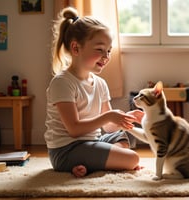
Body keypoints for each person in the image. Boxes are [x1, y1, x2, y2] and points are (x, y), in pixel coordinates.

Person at [44, 7, 144, 178]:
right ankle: (90, 162)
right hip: (66, 150)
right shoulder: (62, 82)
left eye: (109, 51)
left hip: (91, 142)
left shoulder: (100, 84)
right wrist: (109, 116)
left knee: (121, 137)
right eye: (99, 49)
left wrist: (125, 118)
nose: (106, 56)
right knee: (133, 159)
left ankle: (92, 163)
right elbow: (74, 130)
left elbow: (108, 126)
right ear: (76, 48)